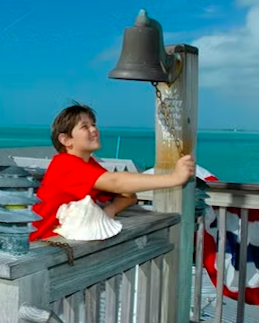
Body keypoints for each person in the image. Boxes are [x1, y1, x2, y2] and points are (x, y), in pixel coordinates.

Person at [30, 103, 196, 241]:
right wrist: (174, 178)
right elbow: (116, 182)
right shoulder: (64, 164)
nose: (94, 130)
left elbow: (128, 194)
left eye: (94, 125)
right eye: (85, 127)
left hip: (62, 245)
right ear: (66, 140)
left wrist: (110, 209)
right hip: (40, 247)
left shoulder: (89, 165)